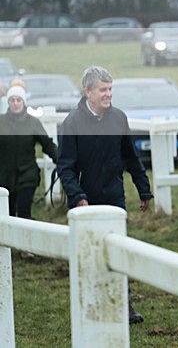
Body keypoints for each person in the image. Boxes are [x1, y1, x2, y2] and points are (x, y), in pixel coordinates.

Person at [56, 66, 153, 325]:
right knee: (90, 254)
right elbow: (64, 166)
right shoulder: (72, 122)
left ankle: (125, 304)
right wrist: (77, 196)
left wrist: (143, 189)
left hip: (114, 196)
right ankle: (91, 304)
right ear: (88, 92)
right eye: (103, 90)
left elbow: (131, 156)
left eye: (110, 89)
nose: (108, 94)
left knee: (118, 249)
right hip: (84, 199)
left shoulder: (118, 118)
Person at [0, 85, 58, 219]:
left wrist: (62, 161)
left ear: (24, 102)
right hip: (4, 177)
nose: (15, 103)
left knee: (23, 212)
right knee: (7, 215)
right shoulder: (1, 122)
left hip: (27, 176)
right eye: (12, 100)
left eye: (18, 100)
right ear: (8, 102)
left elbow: (47, 145)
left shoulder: (33, 123)